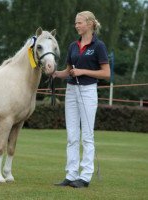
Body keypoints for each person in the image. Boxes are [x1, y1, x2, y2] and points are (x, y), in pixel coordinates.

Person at [53, 11, 110, 188]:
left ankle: (85, 177)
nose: (76, 25)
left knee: (86, 136)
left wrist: (83, 71)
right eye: (75, 23)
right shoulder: (73, 46)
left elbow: (106, 73)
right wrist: (54, 73)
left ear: (90, 24)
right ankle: (71, 175)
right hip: (71, 90)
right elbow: (67, 70)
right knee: (72, 136)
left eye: (79, 23)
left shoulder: (98, 46)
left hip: (88, 91)